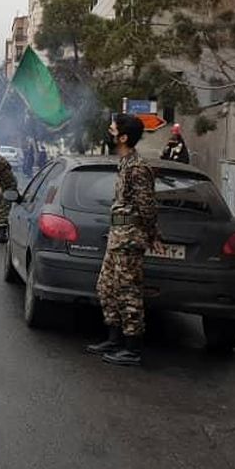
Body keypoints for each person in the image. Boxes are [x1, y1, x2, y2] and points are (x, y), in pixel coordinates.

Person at [87, 113, 164, 367]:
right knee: (106, 287)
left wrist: (151, 234)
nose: (108, 132)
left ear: (123, 137)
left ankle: (133, 348)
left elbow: (147, 207)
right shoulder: (124, 163)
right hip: (117, 236)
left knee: (128, 291)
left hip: (130, 238)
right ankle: (114, 338)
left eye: (112, 129)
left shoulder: (138, 167)